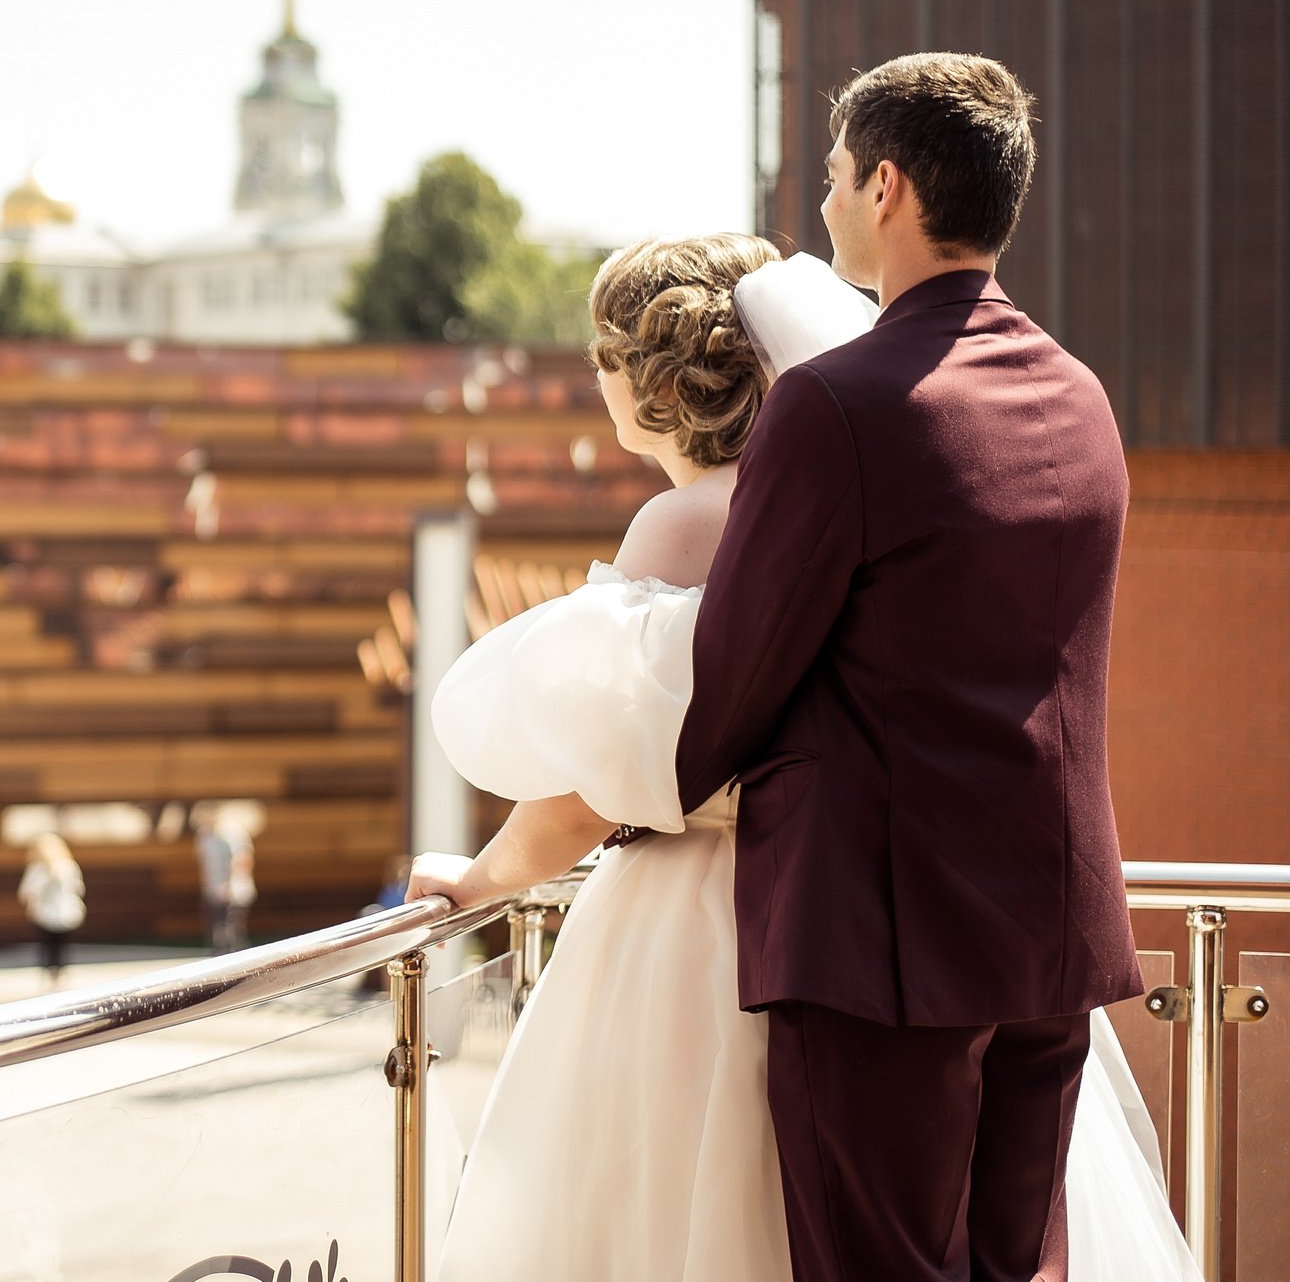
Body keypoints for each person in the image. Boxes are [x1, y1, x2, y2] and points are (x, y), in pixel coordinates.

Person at [407, 175, 1194, 1273]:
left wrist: (486, 877)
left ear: (640, 383)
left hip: (749, 936)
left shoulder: (679, 524)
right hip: (953, 935)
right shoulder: (881, 471)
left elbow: (628, 762)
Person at [17, 831, 85, 987]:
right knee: (52, 947)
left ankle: (57, 974)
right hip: (50, 915)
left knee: (56, 946)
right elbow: (27, 892)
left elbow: (77, 889)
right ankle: (52, 975)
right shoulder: (42, 869)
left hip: (59, 914)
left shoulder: (65, 868)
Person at [192, 803, 255, 953]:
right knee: (217, 930)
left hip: (234, 890)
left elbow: (243, 858)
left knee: (232, 931)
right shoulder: (204, 836)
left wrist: (228, 884)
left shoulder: (231, 832)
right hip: (213, 890)